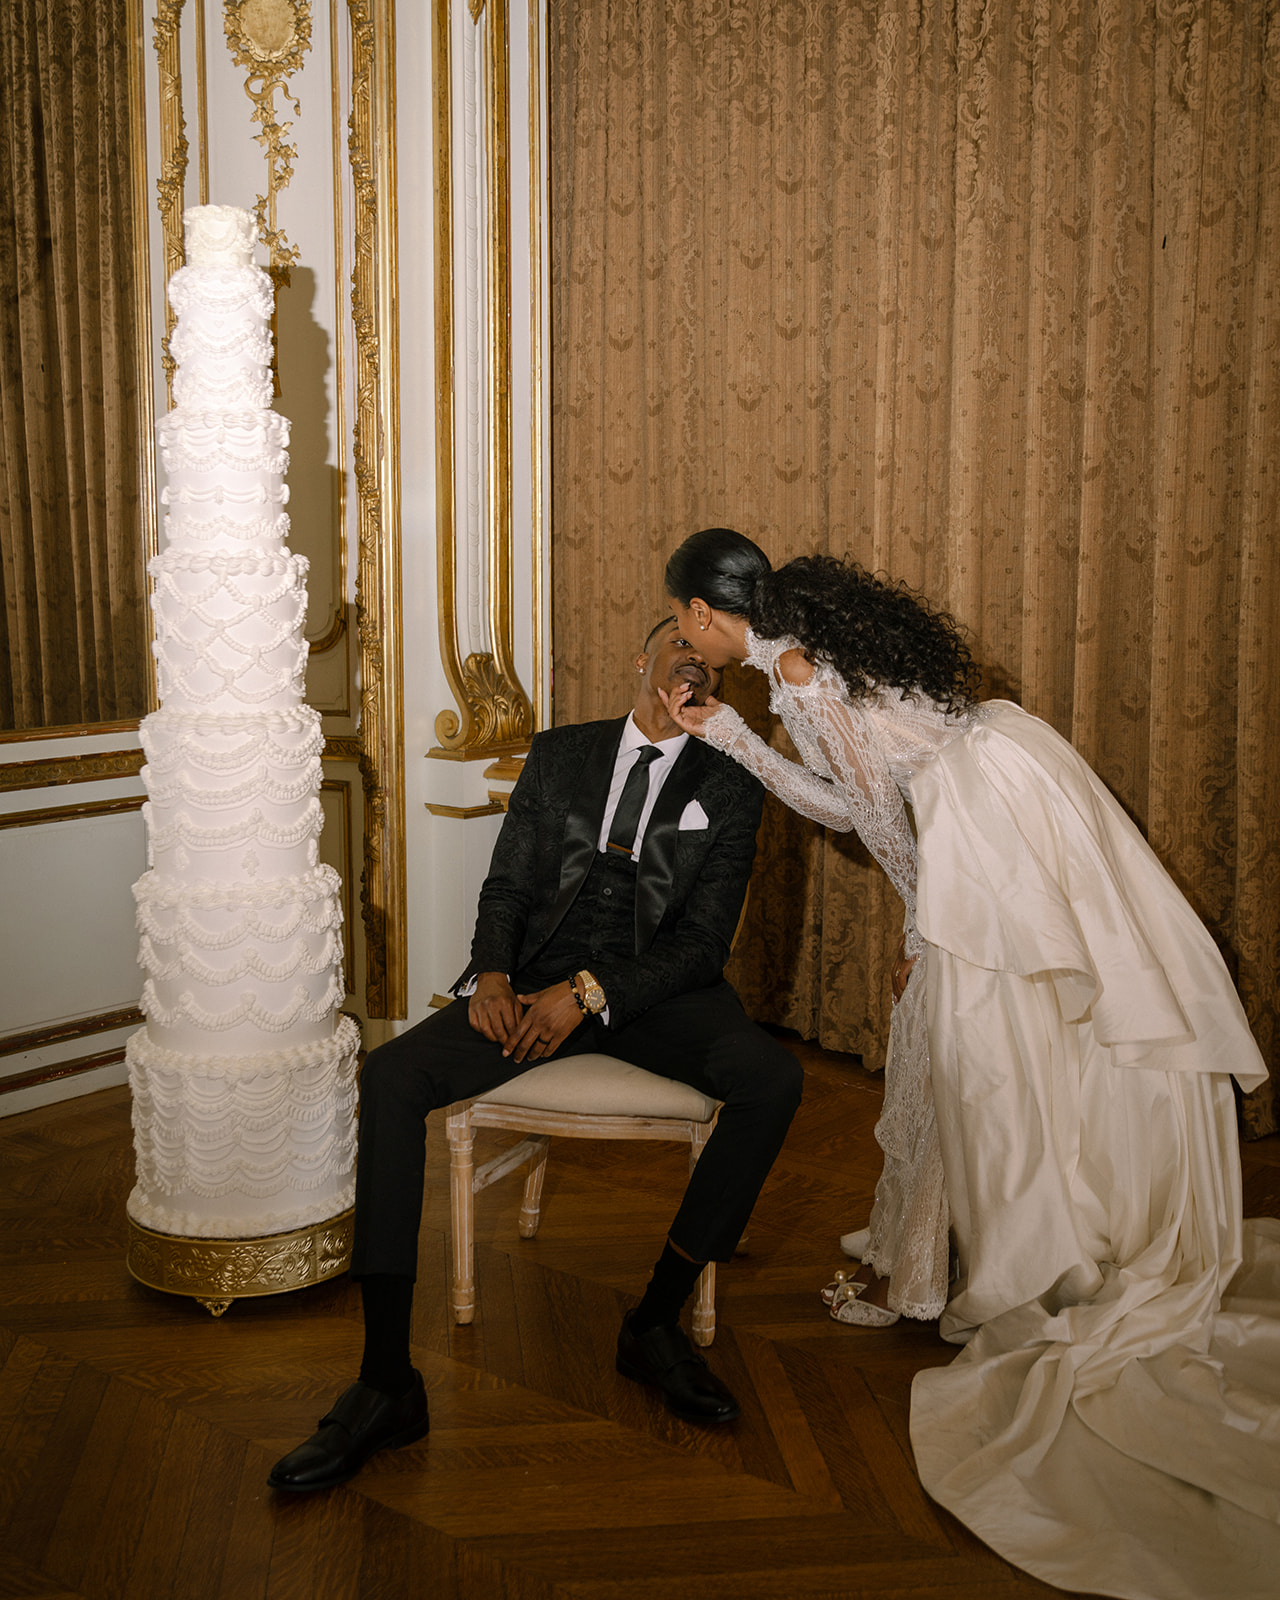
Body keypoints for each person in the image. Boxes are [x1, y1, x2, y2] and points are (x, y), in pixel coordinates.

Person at [659, 527, 1280, 1600]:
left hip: (978, 837)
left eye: (678, 616)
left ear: (710, 620)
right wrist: (727, 724)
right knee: (1042, 1030)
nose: (675, 632)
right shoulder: (807, 627)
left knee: (980, 1043)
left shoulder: (796, 673)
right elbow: (879, 779)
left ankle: (1030, 1240)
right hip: (1015, 782)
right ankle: (1038, 1216)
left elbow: (867, 821)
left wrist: (916, 929)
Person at [267, 616, 803, 1493]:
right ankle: (384, 1383)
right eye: (679, 648)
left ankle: (654, 1323)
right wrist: (492, 972)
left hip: (652, 995)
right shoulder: (561, 755)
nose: (694, 666)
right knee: (393, 1076)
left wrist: (593, 992)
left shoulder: (732, 783)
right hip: (533, 981)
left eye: (711, 666)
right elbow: (510, 882)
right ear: (642, 657)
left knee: (772, 1080)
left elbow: (704, 945)